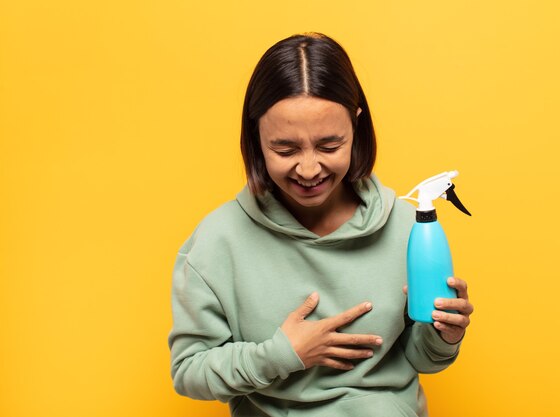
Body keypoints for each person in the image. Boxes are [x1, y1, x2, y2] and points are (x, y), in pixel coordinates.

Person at [168, 32, 473, 417]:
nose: (309, 169)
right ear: (256, 135)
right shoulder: (216, 242)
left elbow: (423, 360)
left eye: (329, 146)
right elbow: (188, 372)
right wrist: (282, 355)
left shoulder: (407, 227)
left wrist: (444, 334)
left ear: (356, 127)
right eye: (285, 149)